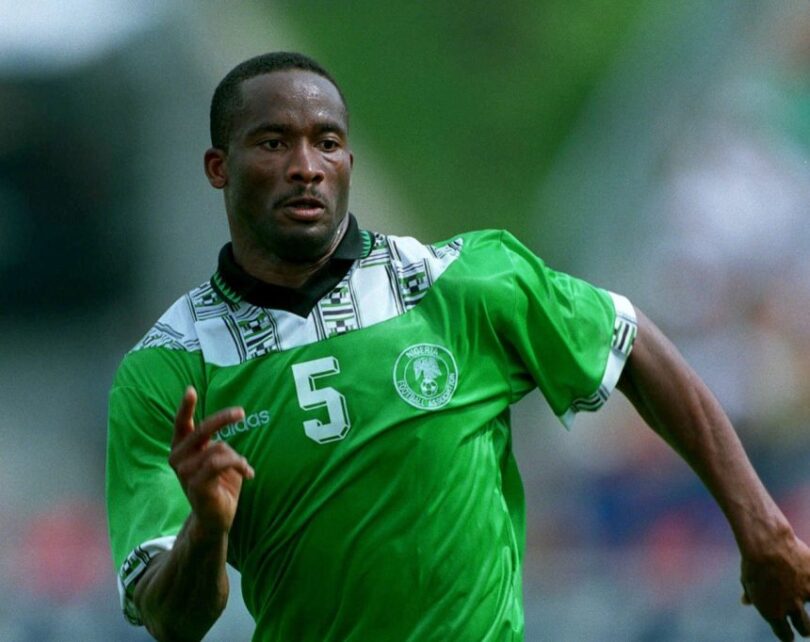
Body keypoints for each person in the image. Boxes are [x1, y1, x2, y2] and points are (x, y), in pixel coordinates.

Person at [106, 51, 810, 642]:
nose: (306, 165)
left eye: (327, 142)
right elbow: (173, 620)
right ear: (217, 167)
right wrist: (206, 529)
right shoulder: (168, 372)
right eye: (272, 143)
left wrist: (762, 529)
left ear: (349, 159)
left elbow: (632, 343)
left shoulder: (457, 283)